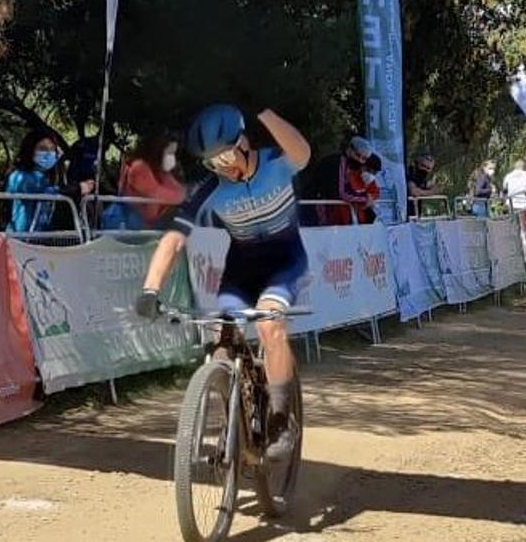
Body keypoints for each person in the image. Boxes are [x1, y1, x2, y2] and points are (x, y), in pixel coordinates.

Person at [135, 104, 310, 462]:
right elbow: (173, 239)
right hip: (241, 271)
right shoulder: (211, 190)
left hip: (284, 263)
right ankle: (237, 427)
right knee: (220, 339)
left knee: (269, 325)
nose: (224, 166)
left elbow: (303, 153)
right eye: (212, 163)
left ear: (243, 141)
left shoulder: (277, 161)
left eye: (227, 154)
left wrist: (267, 112)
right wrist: (150, 289)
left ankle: (280, 419)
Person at [5, 129, 95, 233]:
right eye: (42, 149)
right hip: (20, 239)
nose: (48, 153)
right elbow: (46, 191)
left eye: (52, 150)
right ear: (30, 150)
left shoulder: (45, 176)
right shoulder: (19, 176)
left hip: (41, 238)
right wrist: (78, 188)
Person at [110, 131, 187, 229]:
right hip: (137, 223)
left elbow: (176, 190)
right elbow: (161, 194)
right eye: (170, 153)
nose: (173, 158)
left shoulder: (158, 169)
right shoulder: (139, 168)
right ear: (158, 151)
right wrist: (183, 194)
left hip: (150, 222)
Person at [299, 136, 378, 224]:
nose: (359, 160)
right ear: (349, 150)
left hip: (328, 207)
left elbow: (368, 190)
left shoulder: (352, 166)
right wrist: (365, 199)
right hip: (318, 208)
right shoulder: (338, 163)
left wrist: (368, 197)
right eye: (358, 155)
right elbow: (342, 193)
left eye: (363, 159)